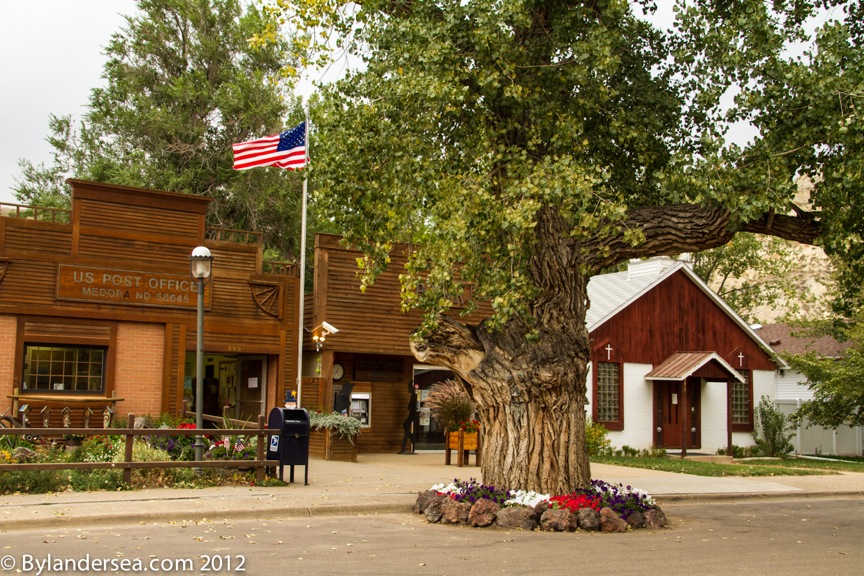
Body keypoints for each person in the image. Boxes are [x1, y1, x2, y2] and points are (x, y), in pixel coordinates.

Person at [399, 381, 419, 454]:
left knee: (405, 426)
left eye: (409, 388)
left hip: (412, 414)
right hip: (411, 414)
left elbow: (413, 407)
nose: (408, 389)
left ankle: (411, 437)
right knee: (405, 427)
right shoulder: (413, 395)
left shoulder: (414, 395)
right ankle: (411, 436)